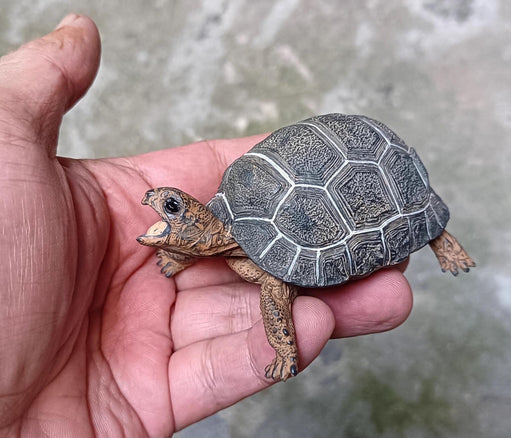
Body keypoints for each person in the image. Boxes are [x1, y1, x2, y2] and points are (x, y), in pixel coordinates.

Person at [0, 15, 413, 437]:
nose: (158, 205)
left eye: (174, 206)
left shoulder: (246, 253)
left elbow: (276, 291)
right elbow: (204, 241)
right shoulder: (215, 231)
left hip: (338, 192)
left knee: (299, 287)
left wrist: (284, 347)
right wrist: (179, 255)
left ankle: (432, 231)